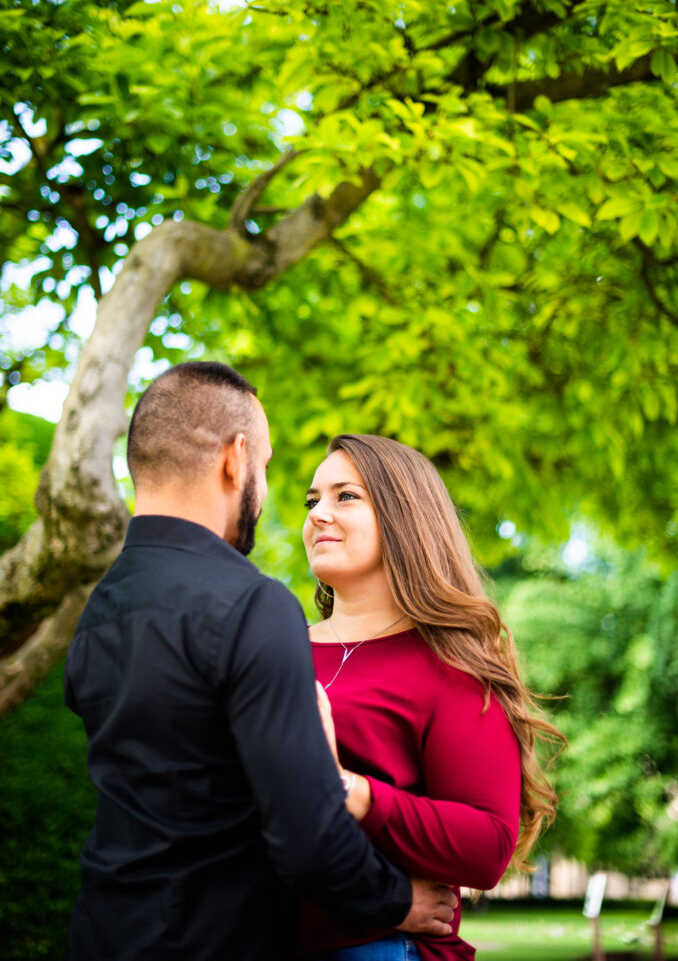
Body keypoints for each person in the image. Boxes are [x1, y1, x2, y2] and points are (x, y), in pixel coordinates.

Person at [64, 363, 457, 961]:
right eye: (266, 466)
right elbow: (308, 831)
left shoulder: (98, 613)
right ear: (236, 458)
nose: (266, 490)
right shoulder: (251, 604)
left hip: (101, 934)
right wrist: (396, 899)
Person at [298, 434, 565, 961]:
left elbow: (486, 847)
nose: (317, 514)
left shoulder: (451, 662)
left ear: (404, 517)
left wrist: (350, 790)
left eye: (345, 496)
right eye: (313, 500)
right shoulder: (273, 650)